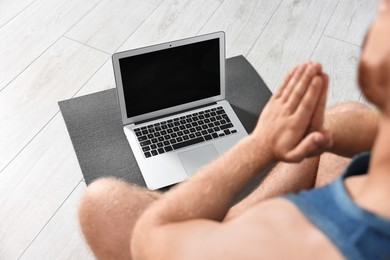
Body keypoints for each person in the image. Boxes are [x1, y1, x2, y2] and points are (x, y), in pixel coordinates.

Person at [78, 0, 390, 258]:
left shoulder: (296, 243)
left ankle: (234, 214)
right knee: (346, 114)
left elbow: (152, 238)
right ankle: (240, 210)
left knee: (101, 203)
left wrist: (260, 146)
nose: (381, 6)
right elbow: (362, 125)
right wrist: (308, 129)